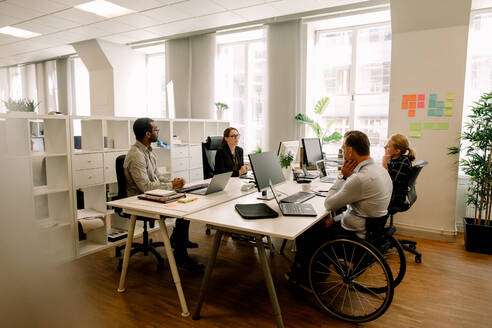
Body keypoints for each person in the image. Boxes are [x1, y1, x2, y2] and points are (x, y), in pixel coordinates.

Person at [288, 130, 393, 288]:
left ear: (350, 151)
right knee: (325, 222)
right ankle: (315, 271)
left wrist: (342, 177)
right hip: (370, 229)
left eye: (343, 148)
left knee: (307, 232)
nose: (342, 152)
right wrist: (336, 219)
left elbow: (329, 204)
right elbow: (357, 206)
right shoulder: (380, 171)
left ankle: (307, 278)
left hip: (354, 235)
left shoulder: (359, 179)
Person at [124, 118, 203, 272]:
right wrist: (171, 186)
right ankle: (180, 254)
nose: (158, 132)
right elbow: (145, 187)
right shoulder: (136, 155)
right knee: (181, 210)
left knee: (186, 201)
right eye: (156, 129)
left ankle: (177, 241)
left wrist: (173, 182)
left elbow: (157, 177)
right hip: (139, 200)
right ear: (147, 134)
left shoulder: (148, 152)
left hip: (152, 194)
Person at [383, 133, 416, 210]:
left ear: (397, 151)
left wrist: (385, 165)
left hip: (395, 199)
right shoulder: (393, 160)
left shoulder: (404, 162)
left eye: (388, 146)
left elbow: (390, 182)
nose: (384, 147)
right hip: (391, 195)